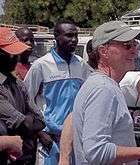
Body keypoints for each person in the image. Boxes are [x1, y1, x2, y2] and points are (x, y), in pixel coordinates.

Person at [72, 21, 140, 165]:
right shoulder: (103, 89)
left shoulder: (103, 85)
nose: (134, 50)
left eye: (135, 44)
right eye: (127, 45)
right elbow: (96, 151)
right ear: (103, 51)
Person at [24, 20, 92, 165]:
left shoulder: (81, 64)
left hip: (75, 138)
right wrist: (40, 133)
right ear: (56, 37)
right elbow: (25, 101)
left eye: (76, 36)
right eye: (68, 36)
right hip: (50, 140)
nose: (73, 40)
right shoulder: (41, 65)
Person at [0, 27, 45, 165]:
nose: (16, 57)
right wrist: (27, 119)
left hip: (26, 156)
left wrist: (26, 120)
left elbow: (40, 120)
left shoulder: (18, 83)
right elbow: (23, 124)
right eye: (10, 54)